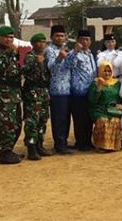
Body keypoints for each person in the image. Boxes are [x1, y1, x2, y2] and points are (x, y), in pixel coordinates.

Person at [0, 26, 23, 164]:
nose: (9, 40)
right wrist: (12, 53)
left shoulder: (11, 51)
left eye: (11, 37)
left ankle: (9, 149)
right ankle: (4, 152)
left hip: (13, 92)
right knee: (5, 124)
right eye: (6, 37)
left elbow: (20, 68)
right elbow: (0, 68)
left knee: (16, 123)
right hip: (1, 93)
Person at [21, 33, 53, 160]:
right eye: (39, 42)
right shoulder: (30, 57)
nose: (41, 44)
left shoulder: (45, 57)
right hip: (32, 93)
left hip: (43, 92)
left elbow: (47, 76)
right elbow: (25, 71)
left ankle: (40, 145)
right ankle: (31, 148)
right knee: (32, 121)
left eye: (44, 42)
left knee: (43, 120)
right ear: (33, 44)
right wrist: (36, 63)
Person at [64, 30, 96, 151]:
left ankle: (88, 141)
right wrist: (75, 51)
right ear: (78, 41)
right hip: (78, 92)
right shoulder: (75, 54)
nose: (84, 42)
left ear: (90, 41)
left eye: (87, 39)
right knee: (80, 119)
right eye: (82, 39)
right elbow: (67, 65)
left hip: (90, 92)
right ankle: (81, 143)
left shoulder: (90, 54)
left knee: (88, 119)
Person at [44, 25, 74, 154]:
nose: (60, 38)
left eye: (62, 35)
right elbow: (52, 69)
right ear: (51, 37)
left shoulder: (66, 49)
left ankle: (64, 142)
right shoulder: (49, 50)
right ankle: (59, 145)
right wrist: (60, 58)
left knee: (66, 118)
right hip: (57, 90)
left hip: (68, 89)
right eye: (57, 35)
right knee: (59, 119)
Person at [88, 61, 122, 152]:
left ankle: (113, 146)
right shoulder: (95, 83)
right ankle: (101, 146)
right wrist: (99, 87)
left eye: (109, 71)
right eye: (105, 71)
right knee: (103, 121)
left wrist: (121, 105)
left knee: (115, 121)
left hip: (114, 110)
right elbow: (92, 101)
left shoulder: (117, 83)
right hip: (100, 110)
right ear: (100, 71)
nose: (107, 73)